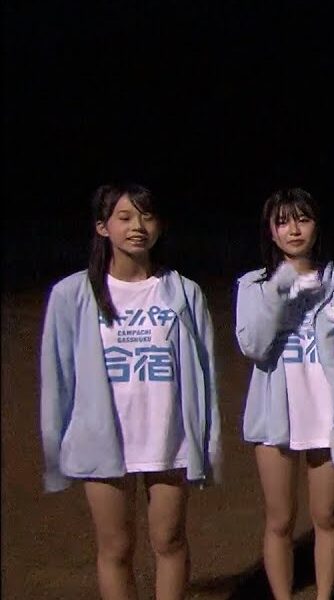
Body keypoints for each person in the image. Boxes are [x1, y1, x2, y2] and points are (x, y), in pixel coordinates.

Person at [41, 183, 220, 600]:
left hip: (168, 436)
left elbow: (205, 372)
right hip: (104, 439)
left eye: (146, 216)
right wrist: (57, 443)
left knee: (170, 540)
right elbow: (58, 377)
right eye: (124, 217)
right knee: (116, 548)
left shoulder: (183, 292)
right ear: (102, 227)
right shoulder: (72, 295)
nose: (137, 226)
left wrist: (206, 441)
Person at [235, 188, 334, 600]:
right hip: (275, 417)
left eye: (303, 219)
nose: (294, 230)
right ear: (271, 232)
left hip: (328, 417)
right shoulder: (253, 285)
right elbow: (254, 345)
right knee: (280, 520)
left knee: (327, 516)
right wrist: (278, 290)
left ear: (317, 225)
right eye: (283, 222)